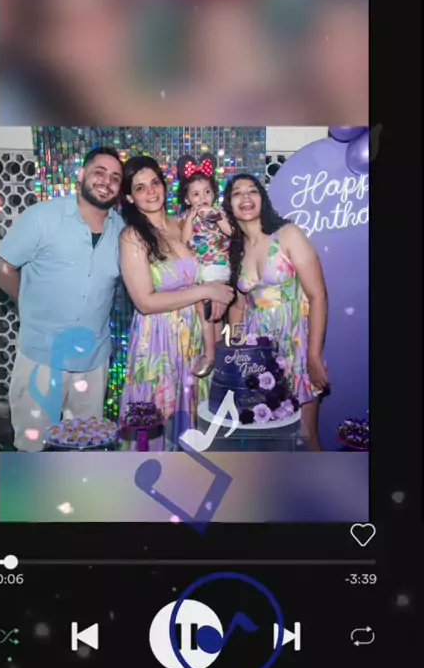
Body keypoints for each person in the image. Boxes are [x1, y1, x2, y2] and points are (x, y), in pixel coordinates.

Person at [0, 147, 125, 451]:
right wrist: (25, 304)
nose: (106, 181)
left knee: (84, 446)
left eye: (115, 178)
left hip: (93, 360)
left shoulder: (121, 229)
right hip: (41, 356)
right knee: (32, 446)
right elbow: (3, 266)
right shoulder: (43, 217)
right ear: (81, 175)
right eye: (99, 172)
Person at [118, 156, 234, 450]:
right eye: (140, 187)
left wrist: (219, 291)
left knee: (194, 423)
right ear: (129, 197)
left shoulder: (183, 224)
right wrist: (206, 290)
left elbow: (213, 261)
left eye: (155, 183)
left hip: (194, 337)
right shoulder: (132, 237)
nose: (151, 191)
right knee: (158, 423)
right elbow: (145, 302)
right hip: (158, 341)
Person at [223, 173, 328, 451]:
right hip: (259, 356)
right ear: (229, 205)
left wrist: (314, 356)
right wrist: (234, 355)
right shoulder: (235, 251)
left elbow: (317, 295)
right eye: (237, 193)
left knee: (305, 438)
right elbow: (238, 307)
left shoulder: (288, 234)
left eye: (252, 190)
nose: (245, 197)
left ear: (262, 198)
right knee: (268, 442)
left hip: (295, 347)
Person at [177, 154, 232, 376]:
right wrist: (190, 218)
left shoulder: (220, 213)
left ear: (214, 194)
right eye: (196, 194)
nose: (203, 198)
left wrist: (218, 217)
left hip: (217, 267)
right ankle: (218, 352)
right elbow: (185, 242)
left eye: (207, 192)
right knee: (213, 314)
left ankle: (209, 355)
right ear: (187, 199)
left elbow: (231, 232)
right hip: (200, 270)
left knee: (204, 307)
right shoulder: (185, 218)